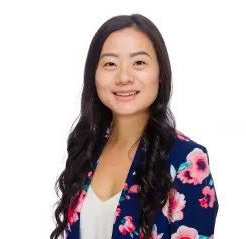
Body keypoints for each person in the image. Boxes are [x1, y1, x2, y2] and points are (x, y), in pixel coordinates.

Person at [50, 13, 218, 239]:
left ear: (160, 73)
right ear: (94, 75)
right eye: (110, 64)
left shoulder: (186, 161)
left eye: (139, 62)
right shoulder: (86, 148)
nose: (124, 76)